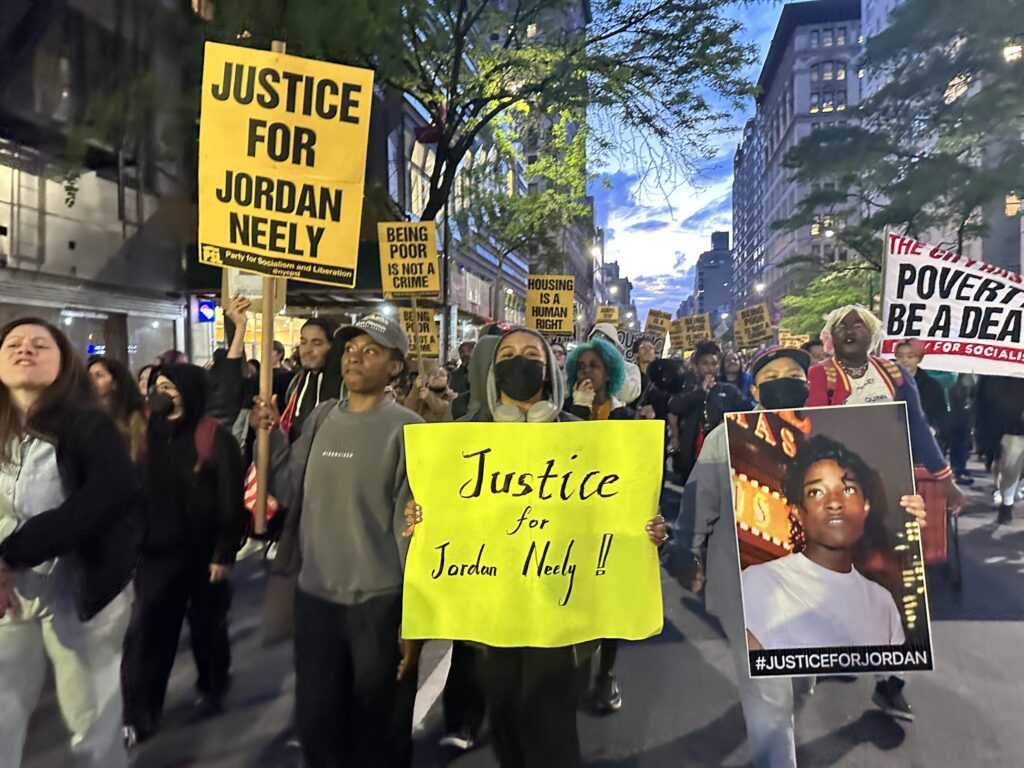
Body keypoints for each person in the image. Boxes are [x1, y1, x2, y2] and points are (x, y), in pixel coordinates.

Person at [403, 326, 667, 768]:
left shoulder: (578, 436)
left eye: (531, 353)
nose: (519, 361)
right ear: (492, 369)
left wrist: (648, 530)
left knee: (552, 727)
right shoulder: (466, 435)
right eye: (507, 353)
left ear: (548, 371)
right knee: (507, 724)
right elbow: (445, 508)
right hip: (492, 607)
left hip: (561, 608)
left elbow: (611, 512)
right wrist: (422, 517)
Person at [667, 346, 927, 767]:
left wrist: (906, 511)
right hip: (746, 587)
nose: (785, 380)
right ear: (756, 387)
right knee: (768, 697)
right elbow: (699, 503)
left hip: (815, 588)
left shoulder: (831, 434)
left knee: (802, 683)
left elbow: (875, 495)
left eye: (794, 373)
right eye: (772, 375)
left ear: (808, 384)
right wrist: (684, 555)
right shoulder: (728, 437)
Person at [253, 312, 423, 768]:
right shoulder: (321, 417)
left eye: (371, 351)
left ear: (394, 367)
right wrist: (267, 438)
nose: (355, 358)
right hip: (317, 600)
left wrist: (415, 620)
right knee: (318, 725)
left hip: (379, 605)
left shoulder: (411, 432)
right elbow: (289, 488)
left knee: (378, 731)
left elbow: (413, 533)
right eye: (350, 349)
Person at [807, 304, 963, 719]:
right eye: (842, 325)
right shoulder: (819, 376)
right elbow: (806, 426)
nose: (851, 329)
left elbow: (918, 427)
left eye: (859, 323)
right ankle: (832, 647)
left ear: (872, 334)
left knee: (894, 582)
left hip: (891, 490)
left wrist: (945, 479)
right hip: (837, 491)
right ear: (832, 336)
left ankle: (890, 679)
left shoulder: (895, 375)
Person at [0, 318, 140, 767]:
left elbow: (107, 497)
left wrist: (13, 554)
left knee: (92, 723)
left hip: (80, 587)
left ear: (64, 364)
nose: (25, 349)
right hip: (9, 590)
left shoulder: (89, 426)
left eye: (40, 344)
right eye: (14, 343)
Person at [121, 364, 247, 746]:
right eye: (158, 385)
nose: (162, 392)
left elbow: (231, 500)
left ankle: (213, 682)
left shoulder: (214, 436)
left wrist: (224, 552)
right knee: (148, 635)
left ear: (189, 392)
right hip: (156, 553)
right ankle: (141, 714)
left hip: (203, 552)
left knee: (207, 627)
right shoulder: (142, 433)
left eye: (171, 386)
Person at [743, 434, 915, 650]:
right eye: (816, 492)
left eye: (848, 489)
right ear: (798, 512)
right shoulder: (760, 582)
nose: (834, 502)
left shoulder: (883, 603)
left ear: (866, 506)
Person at [563, 337, 633, 714]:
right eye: (582, 366)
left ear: (609, 373)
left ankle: (606, 674)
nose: (587, 372)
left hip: (609, 521)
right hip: (571, 522)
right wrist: (577, 410)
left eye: (595, 366)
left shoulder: (623, 415)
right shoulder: (561, 411)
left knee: (608, 604)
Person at [668, 340, 746, 483]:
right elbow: (674, 407)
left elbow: (746, 412)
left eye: (714, 364)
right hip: (692, 456)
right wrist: (701, 392)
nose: (710, 368)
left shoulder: (729, 390)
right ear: (696, 366)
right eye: (705, 363)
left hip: (720, 455)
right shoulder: (687, 388)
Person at [281, 317, 341, 442]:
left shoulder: (346, 385)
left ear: (333, 346)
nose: (307, 350)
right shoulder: (296, 383)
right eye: (303, 342)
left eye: (317, 343)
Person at [976, 375, 1024, 524]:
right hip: (1009, 427)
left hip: (1008, 425)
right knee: (1010, 467)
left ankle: (1009, 496)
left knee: (1014, 467)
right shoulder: (993, 373)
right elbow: (983, 401)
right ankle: (1007, 503)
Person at [89, 355, 147, 462]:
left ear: (115, 382)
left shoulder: (133, 416)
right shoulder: (91, 414)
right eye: (89, 376)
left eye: (99, 375)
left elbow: (137, 458)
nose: (91, 381)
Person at [892, 340, 947, 437]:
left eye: (910, 356)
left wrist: (933, 429)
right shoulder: (886, 382)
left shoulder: (932, 385)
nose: (905, 360)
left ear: (919, 358)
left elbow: (941, 418)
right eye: (900, 356)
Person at [588, 323, 642, 404]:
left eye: (605, 340)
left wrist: (615, 365)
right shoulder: (583, 366)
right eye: (595, 339)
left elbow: (629, 395)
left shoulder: (630, 368)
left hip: (615, 414)